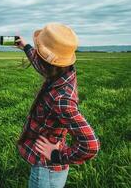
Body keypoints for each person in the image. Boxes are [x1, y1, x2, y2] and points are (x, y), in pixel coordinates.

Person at [16, 23, 100, 188]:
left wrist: (56, 155)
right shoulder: (64, 73)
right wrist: (25, 47)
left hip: (46, 170)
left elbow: (91, 145)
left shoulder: (62, 100)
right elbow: (43, 66)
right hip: (48, 169)